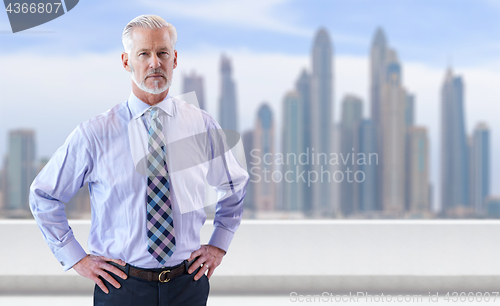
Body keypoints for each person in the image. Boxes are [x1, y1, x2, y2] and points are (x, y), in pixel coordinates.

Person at [29, 14, 249, 306]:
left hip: (188, 285)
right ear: (126, 61)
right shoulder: (94, 134)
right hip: (121, 288)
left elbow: (234, 184)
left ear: (174, 59)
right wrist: (76, 258)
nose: (154, 63)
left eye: (162, 53)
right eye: (143, 53)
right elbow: (44, 196)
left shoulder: (202, 125)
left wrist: (219, 245)